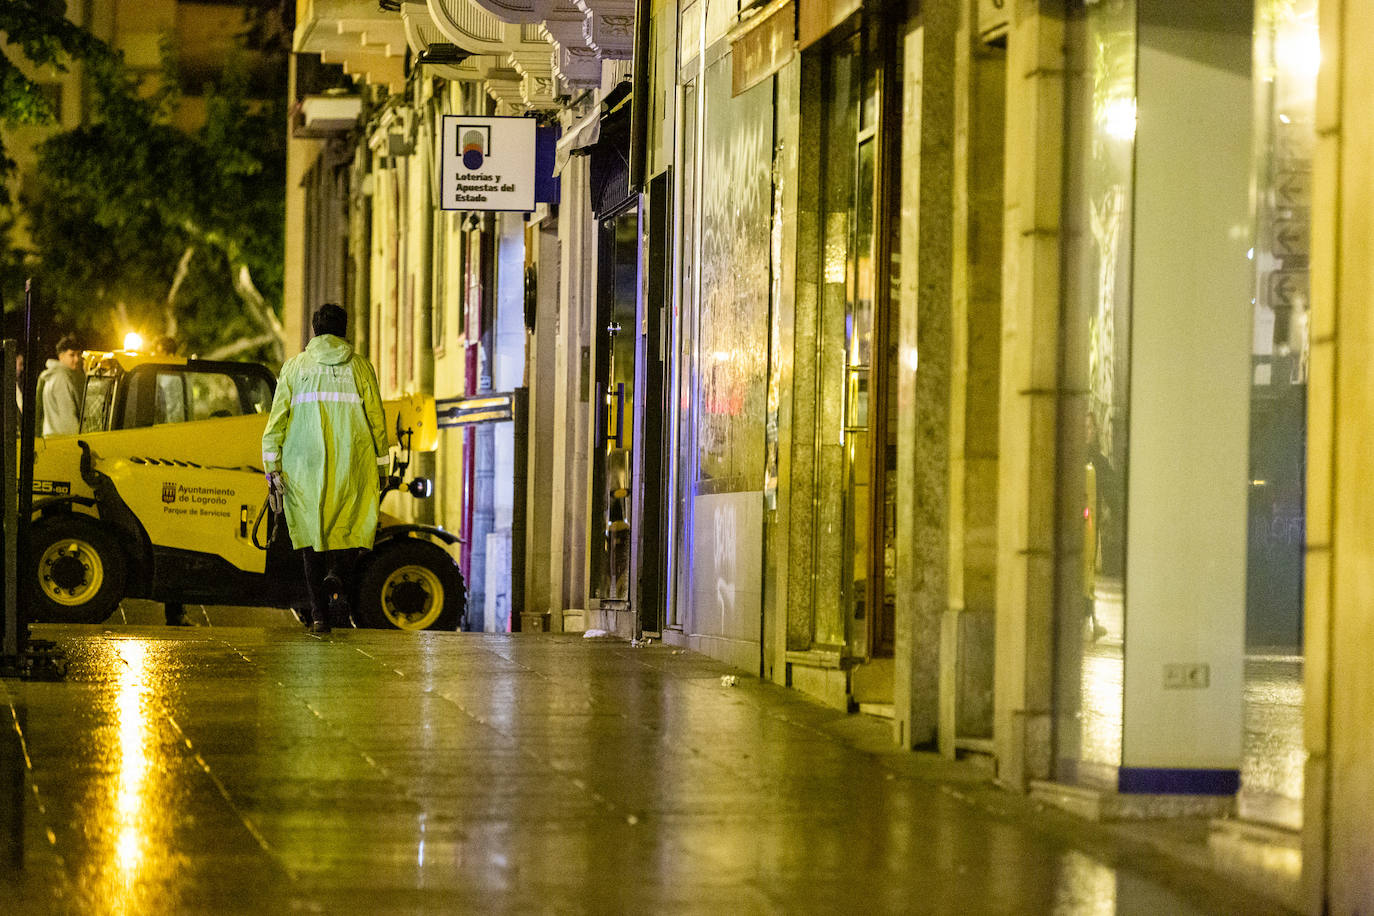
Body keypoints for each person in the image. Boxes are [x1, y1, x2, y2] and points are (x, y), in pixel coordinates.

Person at [261, 304, 389, 634]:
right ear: (344, 329)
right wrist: (382, 465)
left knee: (310, 541)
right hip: (352, 465)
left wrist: (271, 465)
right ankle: (338, 579)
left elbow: (277, 421)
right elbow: (376, 419)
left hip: (303, 469)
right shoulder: (360, 367)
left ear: (315, 331)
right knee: (348, 531)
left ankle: (319, 616)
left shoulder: (294, 368)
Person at [39, 335, 84, 436]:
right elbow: (67, 415)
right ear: (61, 356)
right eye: (72, 355)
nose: (77, 359)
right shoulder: (61, 378)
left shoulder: (53, 376)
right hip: (62, 440)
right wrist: (77, 440)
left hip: (51, 437)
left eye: (78, 355)